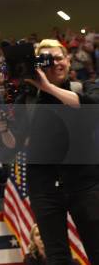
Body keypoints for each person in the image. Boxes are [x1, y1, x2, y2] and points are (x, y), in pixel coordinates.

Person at [17, 39, 99, 264]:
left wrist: (48, 88)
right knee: (56, 256)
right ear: (38, 65)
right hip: (44, 187)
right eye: (47, 60)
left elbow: (90, 107)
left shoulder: (86, 87)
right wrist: (2, 129)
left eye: (59, 58)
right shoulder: (27, 100)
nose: (55, 64)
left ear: (69, 61)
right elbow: (14, 143)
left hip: (85, 184)